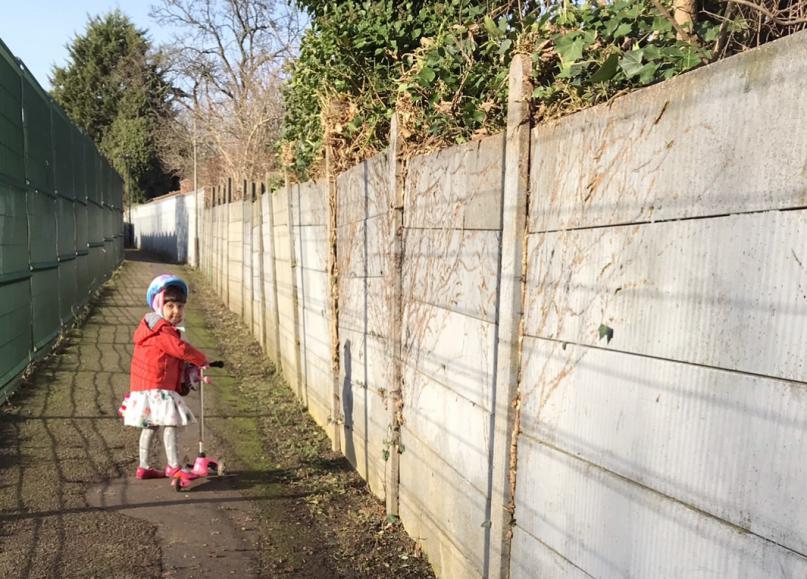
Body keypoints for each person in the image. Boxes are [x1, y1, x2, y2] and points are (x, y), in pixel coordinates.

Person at [118, 274, 209, 479]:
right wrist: (202, 360)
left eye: (180, 307)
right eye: (170, 306)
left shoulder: (151, 328)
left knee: (149, 426)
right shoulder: (161, 329)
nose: (176, 312)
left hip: (145, 386)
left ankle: (144, 466)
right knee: (171, 423)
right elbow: (180, 349)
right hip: (157, 387)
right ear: (159, 305)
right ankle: (174, 466)